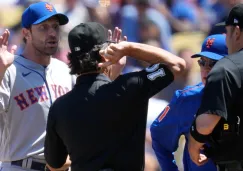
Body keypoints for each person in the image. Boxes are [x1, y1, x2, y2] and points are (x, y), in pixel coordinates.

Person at [44, 22, 186, 171]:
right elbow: (177, 64)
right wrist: (129, 49)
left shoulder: (60, 107)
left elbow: (55, 164)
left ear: (71, 57)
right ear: (106, 53)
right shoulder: (130, 86)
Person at [0, 1, 75, 171]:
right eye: (43, 27)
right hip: (20, 166)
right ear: (26, 33)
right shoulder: (9, 70)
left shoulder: (65, 71)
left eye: (55, 27)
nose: (52, 33)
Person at [150, 34, 228, 171]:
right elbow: (159, 137)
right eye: (202, 62)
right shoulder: (187, 99)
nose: (206, 69)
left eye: (214, 63)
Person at [188, 3, 243, 171]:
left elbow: (205, 125)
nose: (227, 39)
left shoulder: (227, 67)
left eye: (227, 32)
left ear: (236, 32)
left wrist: (193, 142)